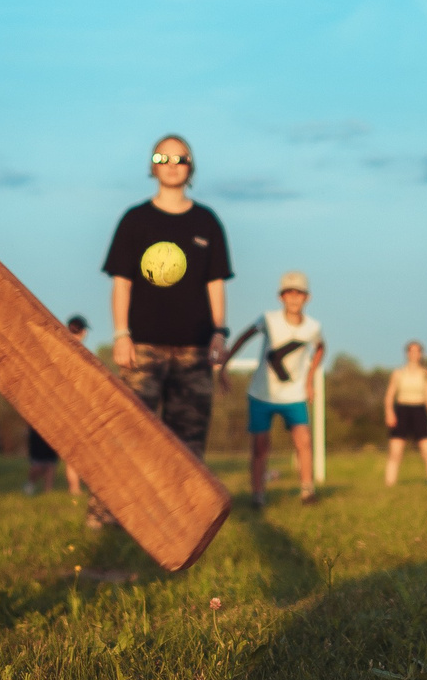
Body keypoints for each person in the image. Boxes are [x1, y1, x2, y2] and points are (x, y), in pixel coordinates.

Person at [102, 136, 233, 488]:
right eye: (163, 156)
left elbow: (216, 284)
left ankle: (181, 521)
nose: (172, 163)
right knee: (128, 435)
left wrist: (219, 333)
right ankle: (109, 515)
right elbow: (122, 284)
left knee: (187, 445)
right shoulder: (134, 220)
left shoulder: (207, 222)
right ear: (152, 166)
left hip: (195, 352)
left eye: (181, 158)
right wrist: (120, 334)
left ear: (191, 166)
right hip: (142, 348)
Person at [226, 271, 326, 508]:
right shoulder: (268, 319)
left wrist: (310, 379)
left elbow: (321, 348)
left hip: (294, 394)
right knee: (260, 445)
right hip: (263, 392)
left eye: (299, 293)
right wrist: (225, 363)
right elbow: (244, 337)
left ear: (307, 298)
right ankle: (258, 496)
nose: (294, 298)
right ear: (281, 297)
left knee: (303, 440)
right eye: (289, 293)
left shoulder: (313, 327)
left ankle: (306, 491)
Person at [382, 341, 427, 488]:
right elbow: (389, 396)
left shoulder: (426, 374)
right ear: (407, 353)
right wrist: (389, 412)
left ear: (421, 354)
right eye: (411, 351)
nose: (414, 354)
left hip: (420, 411)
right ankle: (389, 485)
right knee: (395, 452)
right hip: (402, 410)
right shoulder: (398, 374)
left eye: (417, 351)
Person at [55, 315, 91, 496]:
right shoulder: (80, 353)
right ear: (82, 331)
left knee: (74, 451)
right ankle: (75, 488)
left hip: (65, 407)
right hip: (78, 407)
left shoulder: (60, 351)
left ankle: (75, 487)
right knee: (78, 450)